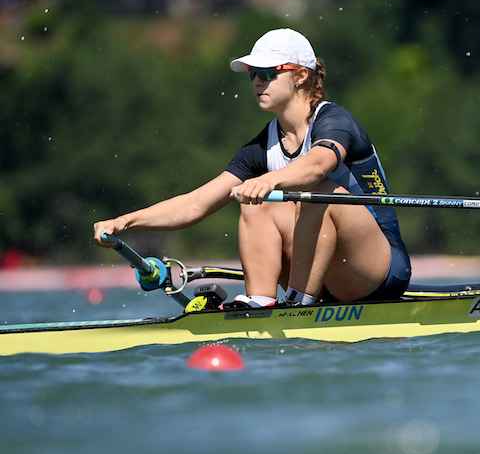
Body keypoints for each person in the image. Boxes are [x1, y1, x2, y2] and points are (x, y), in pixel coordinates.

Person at [93, 28, 411, 308]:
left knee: (312, 188)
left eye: (268, 72)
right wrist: (125, 221)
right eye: (252, 74)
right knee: (252, 201)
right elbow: (194, 204)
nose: (258, 81)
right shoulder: (263, 147)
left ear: (301, 75)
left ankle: (299, 303)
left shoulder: (335, 121)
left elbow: (317, 165)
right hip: (328, 276)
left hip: (381, 268)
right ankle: (260, 302)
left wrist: (269, 180)